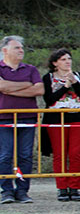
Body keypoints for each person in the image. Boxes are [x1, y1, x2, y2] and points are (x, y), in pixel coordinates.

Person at [42, 49, 80, 202]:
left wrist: (74, 83)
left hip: (77, 117)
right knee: (60, 154)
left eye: (69, 58)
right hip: (56, 118)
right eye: (63, 59)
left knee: (76, 153)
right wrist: (65, 86)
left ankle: (75, 188)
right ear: (55, 63)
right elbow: (49, 99)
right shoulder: (48, 78)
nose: (67, 61)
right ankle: (62, 188)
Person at [0, 36, 43, 204]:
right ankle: (6, 191)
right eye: (16, 47)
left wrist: (9, 88)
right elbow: (1, 87)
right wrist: (26, 85)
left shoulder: (30, 69)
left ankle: (23, 190)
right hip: (4, 118)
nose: (21, 50)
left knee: (25, 155)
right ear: (5, 50)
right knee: (5, 155)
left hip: (27, 117)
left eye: (21, 48)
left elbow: (39, 89)